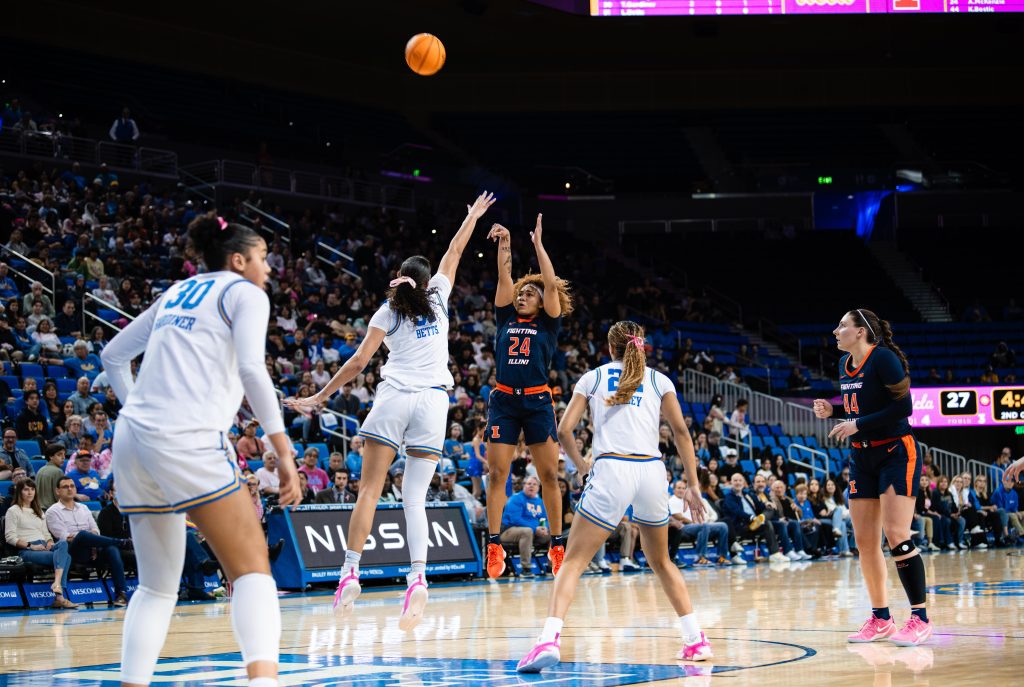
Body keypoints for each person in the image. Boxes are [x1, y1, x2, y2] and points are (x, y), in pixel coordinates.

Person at [99, 212, 301, 687]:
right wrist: (284, 448)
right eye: (263, 258)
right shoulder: (244, 293)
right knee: (253, 569)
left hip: (131, 436)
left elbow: (112, 355)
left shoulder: (176, 293)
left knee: (154, 587)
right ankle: (264, 681)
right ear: (238, 260)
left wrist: (142, 414)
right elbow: (253, 368)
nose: (268, 269)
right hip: (186, 436)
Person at [286, 192, 495, 631]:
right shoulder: (438, 298)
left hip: (395, 397)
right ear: (427, 279)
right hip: (435, 402)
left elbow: (359, 362)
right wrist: (471, 215)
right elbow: (455, 249)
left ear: (401, 279)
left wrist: (320, 396)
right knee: (415, 497)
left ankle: (349, 573)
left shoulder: (389, 309)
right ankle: (417, 576)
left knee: (369, 491)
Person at [517, 321, 712, 673]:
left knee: (573, 562)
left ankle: (548, 639)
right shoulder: (658, 380)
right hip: (652, 472)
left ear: (610, 348)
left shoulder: (592, 378)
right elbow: (682, 432)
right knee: (662, 561)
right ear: (641, 346)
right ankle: (696, 639)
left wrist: (579, 465)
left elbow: (563, 429)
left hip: (612, 469)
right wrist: (694, 483)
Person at [813, 308, 931, 646]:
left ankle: (920, 618)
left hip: (896, 451)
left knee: (897, 534)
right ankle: (881, 618)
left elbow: (903, 407)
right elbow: (860, 407)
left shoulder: (884, 359)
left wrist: (857, 424)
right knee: (865, 542)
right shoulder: (843, 364)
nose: (836, 331)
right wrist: (833, 410)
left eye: (842, 325)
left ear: (861, 331)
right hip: (862, 456)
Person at [484, 215, 574, 579]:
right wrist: (505, 241)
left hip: (537, 403)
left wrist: (538, 245)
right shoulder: (505, 316)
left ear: (541, 302)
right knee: (497, 474)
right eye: (521, 293)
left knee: (550, 475)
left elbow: (550, 284)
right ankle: (493, 545)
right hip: (504, 401)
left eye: (529, 293)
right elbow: (505, 277)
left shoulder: (548, 323)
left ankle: (556, 544)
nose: (522, 295)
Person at [46, 477, 130, 605]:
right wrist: (89, 540)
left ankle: (121, 594)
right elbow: (64, 537)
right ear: (57, 491)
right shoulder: (53, 511)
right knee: (82, 535)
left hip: (93, 550)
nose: (70, 489)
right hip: (72, 552)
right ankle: (121, 542)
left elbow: (95, 529)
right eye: (65, 487)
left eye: (72, 486)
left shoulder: (84, 508)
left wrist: (94, 544)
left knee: (112, 549)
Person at [4, 478, 77, 608]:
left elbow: (46, 533)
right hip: (27, 549)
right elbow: (10, 537)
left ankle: (57, 585)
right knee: (67, 557)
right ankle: (59, 596)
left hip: (43, 546)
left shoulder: (39, 511)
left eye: (32, 489)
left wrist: (49, 541)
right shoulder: (13, 510)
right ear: (19, 492)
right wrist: (31, 546)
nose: (30, 492)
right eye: (26, 489)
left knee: (64, 544)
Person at [669, 479, 730, 566]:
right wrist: (694, 522)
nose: (681, 490)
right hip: (683, 527)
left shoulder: (688, 499)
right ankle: (700, 558)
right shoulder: (672, 500)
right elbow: (677, 516)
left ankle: (721, 557)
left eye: (683, 488)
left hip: (696, 525)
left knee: (723, 526)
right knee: (703, 525)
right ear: (674, 489)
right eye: (679, 488)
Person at [499, 475, 549, 577]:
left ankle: (551, 566)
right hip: (508, 531)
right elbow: (515, 519)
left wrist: (545, 528)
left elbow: (545, 519)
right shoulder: (516, 499)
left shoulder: (540, 502)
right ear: (524, 486)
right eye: (529, 484)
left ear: (538, 488)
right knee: (527, 531)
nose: (531, 486)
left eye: (534, 484)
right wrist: (535, 529)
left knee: (555, 532)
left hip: (534, 532)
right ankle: (526, 569)